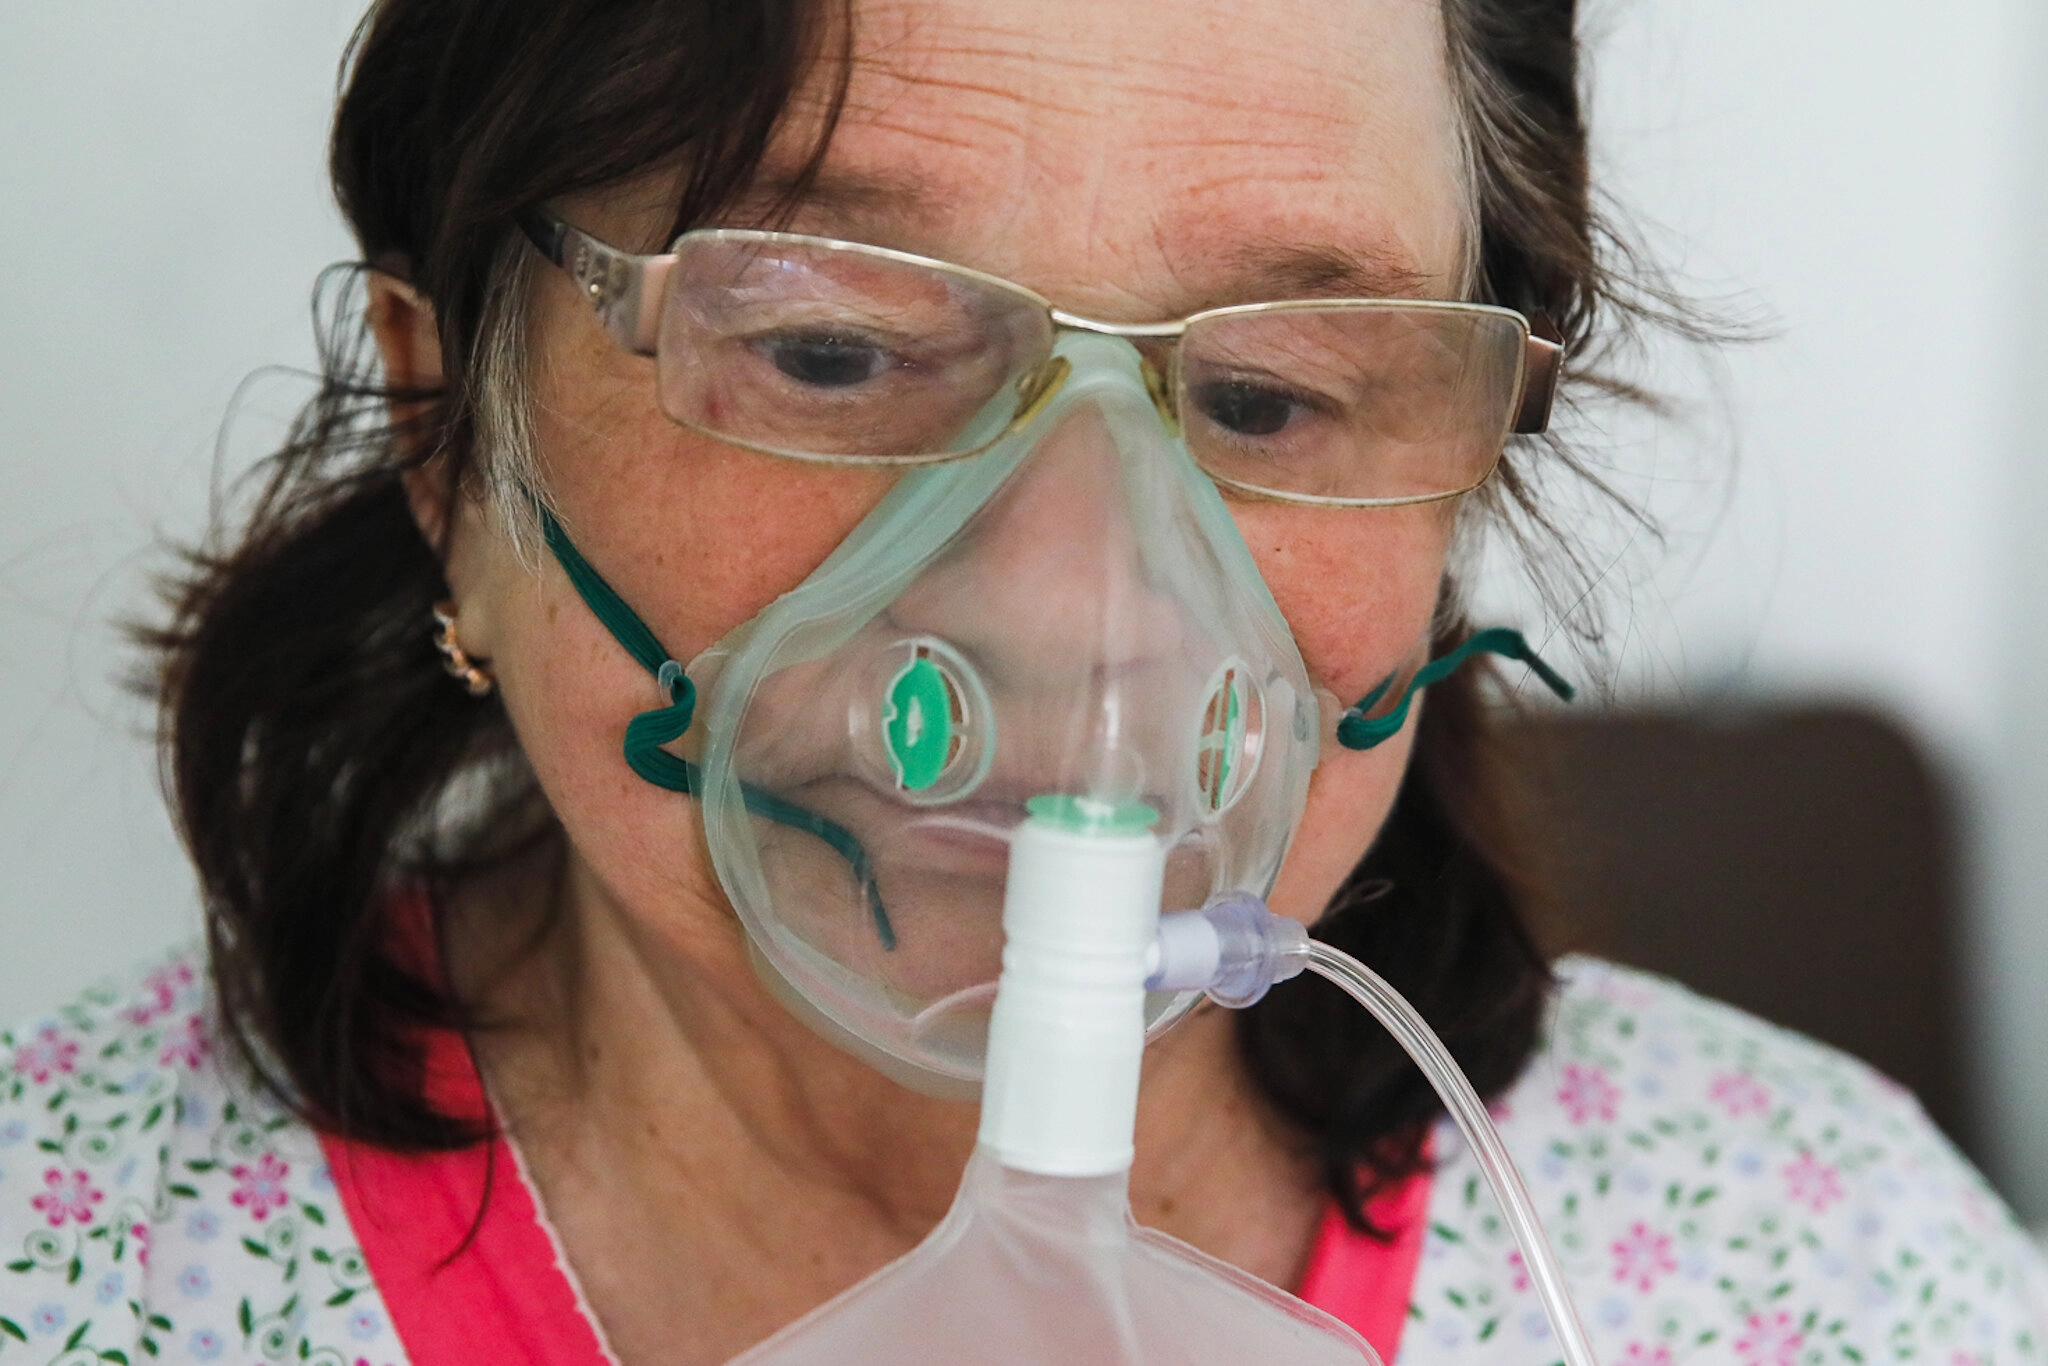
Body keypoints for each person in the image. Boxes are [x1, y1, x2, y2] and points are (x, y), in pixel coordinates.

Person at [3, 0, 2043, 1361]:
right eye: (825, 346)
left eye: (1269, 390)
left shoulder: (1821, 1268)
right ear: (453, 425)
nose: (1078, 609)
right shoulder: (74, 1267)